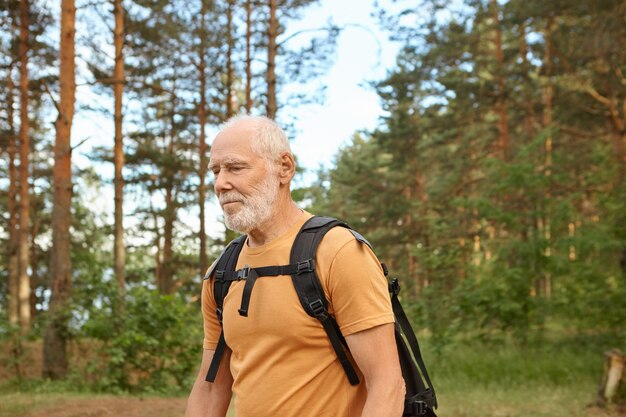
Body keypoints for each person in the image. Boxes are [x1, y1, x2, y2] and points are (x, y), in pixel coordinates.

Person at [185, 115, 405, 417]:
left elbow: (387, 383)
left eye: (235, 168)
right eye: (215, 171)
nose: (221, 183)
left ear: (284, 168)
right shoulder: (222, 273)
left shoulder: (338, 252)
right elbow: (211, 387)